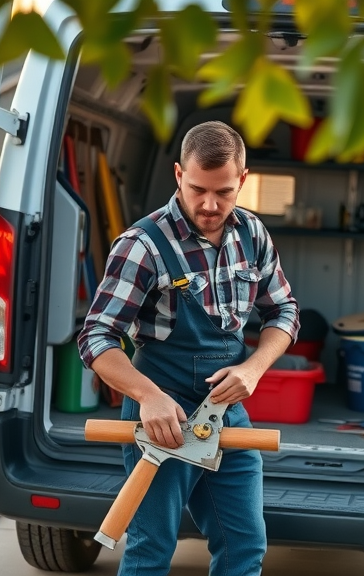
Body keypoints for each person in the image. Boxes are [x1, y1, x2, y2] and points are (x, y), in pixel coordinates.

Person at [77, 120, 300, 576]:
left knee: (245, 547)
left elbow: (284, 312)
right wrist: (147, 396)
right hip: (163, 412)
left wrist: (254, 369)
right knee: (151, 549)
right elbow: (97, 337)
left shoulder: (252, 235)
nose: (210, 204)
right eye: (198, 189)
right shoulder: (143, 245)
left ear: (243, 179)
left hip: (226, 409)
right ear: (178, 175)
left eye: (224, 192)